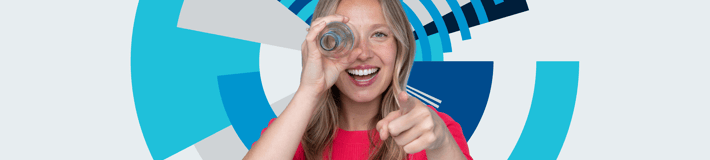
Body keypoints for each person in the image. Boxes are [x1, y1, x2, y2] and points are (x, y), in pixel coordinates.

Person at [244, 0, 473, 159]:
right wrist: (309, 89)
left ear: (399, 48)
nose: (363, 53)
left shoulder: (429, 132)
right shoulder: (293, 133)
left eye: (379, 34)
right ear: (324, 46)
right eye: (347, 36)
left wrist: (441, 143)